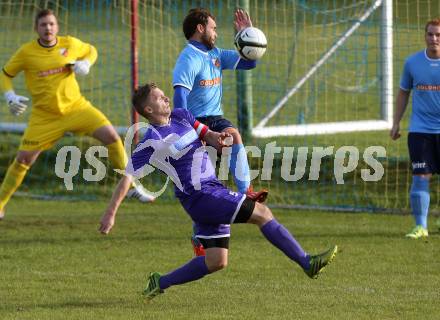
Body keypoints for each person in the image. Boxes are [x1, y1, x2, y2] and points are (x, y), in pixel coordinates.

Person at [99, 83, 338, 300]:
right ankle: (307, 262)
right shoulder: (152, 140)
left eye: (164, 96)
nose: (167, 100)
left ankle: (160, 281)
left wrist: (220, 139)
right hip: (201, 196)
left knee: (216, 261)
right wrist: (111, 213)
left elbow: (208, 135)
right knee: (262, 213)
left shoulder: (182, 116)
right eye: (160, 98)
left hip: (210, 190)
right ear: (149, 110)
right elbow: (127, 177)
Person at [0, 9, 153, 219]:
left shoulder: (69, 44)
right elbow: (6, 74)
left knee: (111, 137)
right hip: (45, 117)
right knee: (24, 160)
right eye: (43, 25)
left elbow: (91, 50)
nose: (48, 28)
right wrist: (10, 96)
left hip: (77, 109)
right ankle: (0, 204)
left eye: (52, 24)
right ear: (36, 28)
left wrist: (86, 63)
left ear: (57, 27)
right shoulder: (26, 52)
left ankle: (132, 186)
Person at [173, 7, 267, 255]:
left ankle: (247, 191)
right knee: (207, 185)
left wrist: (247, 33)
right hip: (196, 123)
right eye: (213, 28)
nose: (216, 32)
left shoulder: (214, 54)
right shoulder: (188, 59)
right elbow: (179, 98)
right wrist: (191, 132)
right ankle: (199, 237)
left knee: (235, 135)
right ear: (200, 28)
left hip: (215, 118)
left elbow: (251, 62)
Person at [390, 18, 440, 238]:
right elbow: (403, 93)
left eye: (438, 35)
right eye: (430, 34)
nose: (434, 39)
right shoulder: (412, 63)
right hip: (420, 131)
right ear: (424, 36)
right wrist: (396, 122)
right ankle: (421, 227)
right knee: (421, 176)